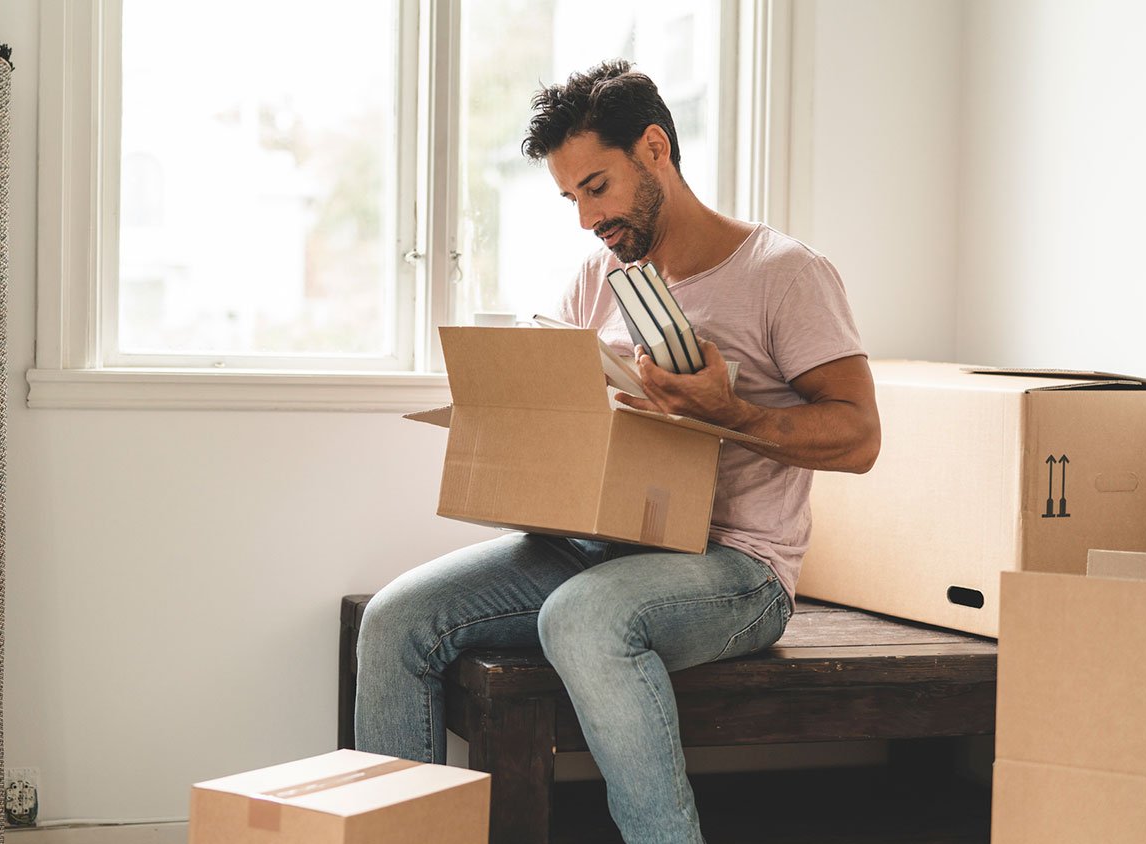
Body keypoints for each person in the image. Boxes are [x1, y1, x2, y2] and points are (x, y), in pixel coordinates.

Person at [354, 59, 880, 843]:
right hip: (598, 546)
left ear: (655, 149)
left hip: (735, 569)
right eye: (569, 197)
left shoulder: (782, 274)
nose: (584, 218)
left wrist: (727, 413)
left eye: (595, 187)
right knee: (395, 620)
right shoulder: (597, 280)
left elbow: (860, 438)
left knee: (582, 618)